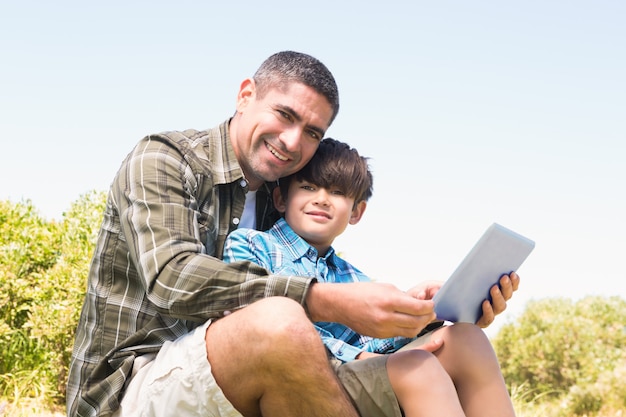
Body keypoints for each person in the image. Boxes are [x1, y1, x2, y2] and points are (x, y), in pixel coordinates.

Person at [66, 50, 519, 417]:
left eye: (312, 133)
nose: (291, 141)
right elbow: (172, 278)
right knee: (279, 320)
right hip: (131, 388)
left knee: (460, 342)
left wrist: (422, 315)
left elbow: (350, 329)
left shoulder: (278, 198)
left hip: (255, 371)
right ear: (246, 95)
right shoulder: (165, 159)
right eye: (284, 115)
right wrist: (329, 301)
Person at [223, 138, 517, 416]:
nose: (322, 199)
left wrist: (420, 315)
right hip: (307, 373)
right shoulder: (251, 244)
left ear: (356, 212)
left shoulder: (353, 276)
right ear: (281, 199)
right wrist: (363, 357)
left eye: (338, 193)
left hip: (358, 369)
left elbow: (374, 342)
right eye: (309, 187)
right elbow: (260, 325)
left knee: (467, 339)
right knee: (419, 366)